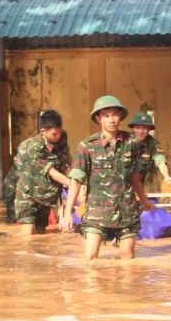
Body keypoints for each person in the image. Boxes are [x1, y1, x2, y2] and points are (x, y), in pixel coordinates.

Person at [61, 96, 154, 260]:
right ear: (98, 118)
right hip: (97, 212)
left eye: (114, 115)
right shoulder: (87, 146)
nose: (111, 120)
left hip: (126, 212)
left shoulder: (132, 142)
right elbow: (75, 181)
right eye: (106, 116)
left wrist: (144, 199)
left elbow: (135, 176)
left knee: (128, 259)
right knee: (90, 257)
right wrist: (68, 213)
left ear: (120, 116)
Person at [13, 110, 72, 236]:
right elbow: (52, 172)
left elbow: (67, 155)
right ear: (43, 131)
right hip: (29, 195)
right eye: (54, 134)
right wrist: (73, 184)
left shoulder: (62, 137)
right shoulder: (34, 147)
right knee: (28, 234)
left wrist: (77, 173)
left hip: (47, 196)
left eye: (60, 132)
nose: (58, 136)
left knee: (40, 234)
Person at [127, 111, 171, 187]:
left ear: (149, 129)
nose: (140, 131)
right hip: (122, 185)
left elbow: (160, 161)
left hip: (139, 185)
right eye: (137, 127)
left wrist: (166, 176)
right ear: (133, 128)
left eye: (144, 128)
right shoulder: (125, 141)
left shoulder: (153, 144)